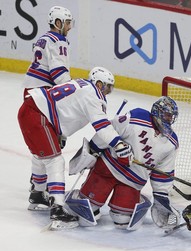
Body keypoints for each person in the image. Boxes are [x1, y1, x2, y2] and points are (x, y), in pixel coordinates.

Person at [18, 66, 128, 230]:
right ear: (98, 83)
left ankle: (38, 194)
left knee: (41, 155)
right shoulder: (94, 95)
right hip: (38, 117)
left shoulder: (81, 84)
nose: (106, 92)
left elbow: (62, 107)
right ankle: (58, 209)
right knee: (55, 161)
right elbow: (102, 125)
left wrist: (59, 133)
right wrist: (118, 143)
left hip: (31, 110)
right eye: (106, 87)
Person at [69, 96, 181, 230]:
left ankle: (138, 202)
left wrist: (161, 196)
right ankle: (83, 198)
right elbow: (109, 131)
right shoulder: (137, 117)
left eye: (171, 117)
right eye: (167, 115)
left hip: (132, 181)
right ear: (157, 111)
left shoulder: (171, 143)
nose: (169, 120)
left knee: (123, 220)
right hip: (108, 168)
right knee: (86, 213)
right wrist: (94, 148)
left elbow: (163, 172)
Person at [23, 6, 74, 210]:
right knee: (52, 151)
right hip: (42, 96)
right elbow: (59, 71)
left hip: (30, 91)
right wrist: (72, 91)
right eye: (67, 22)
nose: (70, 27)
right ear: (58, 22)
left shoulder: (44, 38)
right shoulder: (58, 40)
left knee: (40, 145)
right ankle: (52, 199)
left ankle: (37, 190)